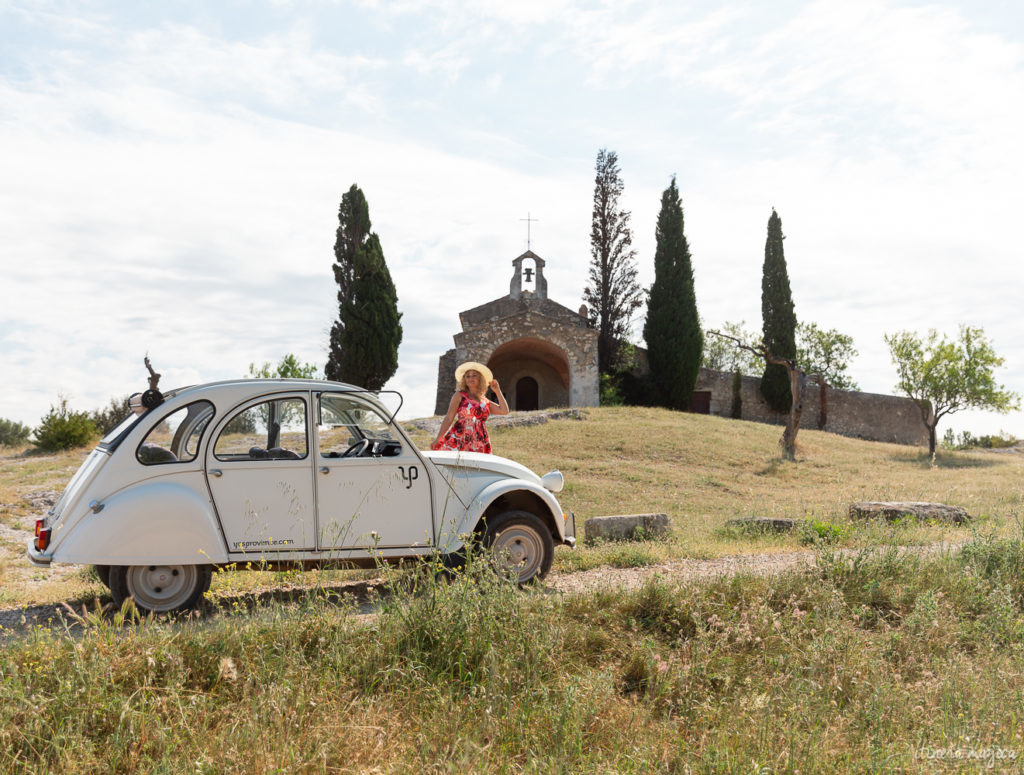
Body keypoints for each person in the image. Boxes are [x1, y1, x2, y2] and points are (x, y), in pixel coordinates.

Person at [431, 361, 509, 453]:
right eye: (468, 376)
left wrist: (497, 391)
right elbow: (449, 418)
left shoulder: (485, 401)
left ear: (480, 378)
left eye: (474, 375)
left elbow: (504, 410)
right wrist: (438, 438)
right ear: (464, 379)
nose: (470, 378)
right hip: (460, 437)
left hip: (480, 440)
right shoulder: (459, 395)